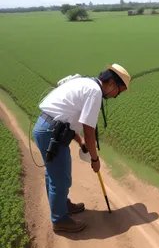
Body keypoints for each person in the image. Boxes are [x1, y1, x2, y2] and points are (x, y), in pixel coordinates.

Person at [33, 63, 131, 233]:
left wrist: (80, 142)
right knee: (60, 179)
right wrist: (95, 159)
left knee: (55, 174)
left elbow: (68, 118)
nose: (116, 96)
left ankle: (62, 205)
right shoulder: (94, 92)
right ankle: (60, 219)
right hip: (51, 132)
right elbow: (89, 130)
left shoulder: (87, 83)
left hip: (50, 128)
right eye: (118, 92)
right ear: (112, 84)